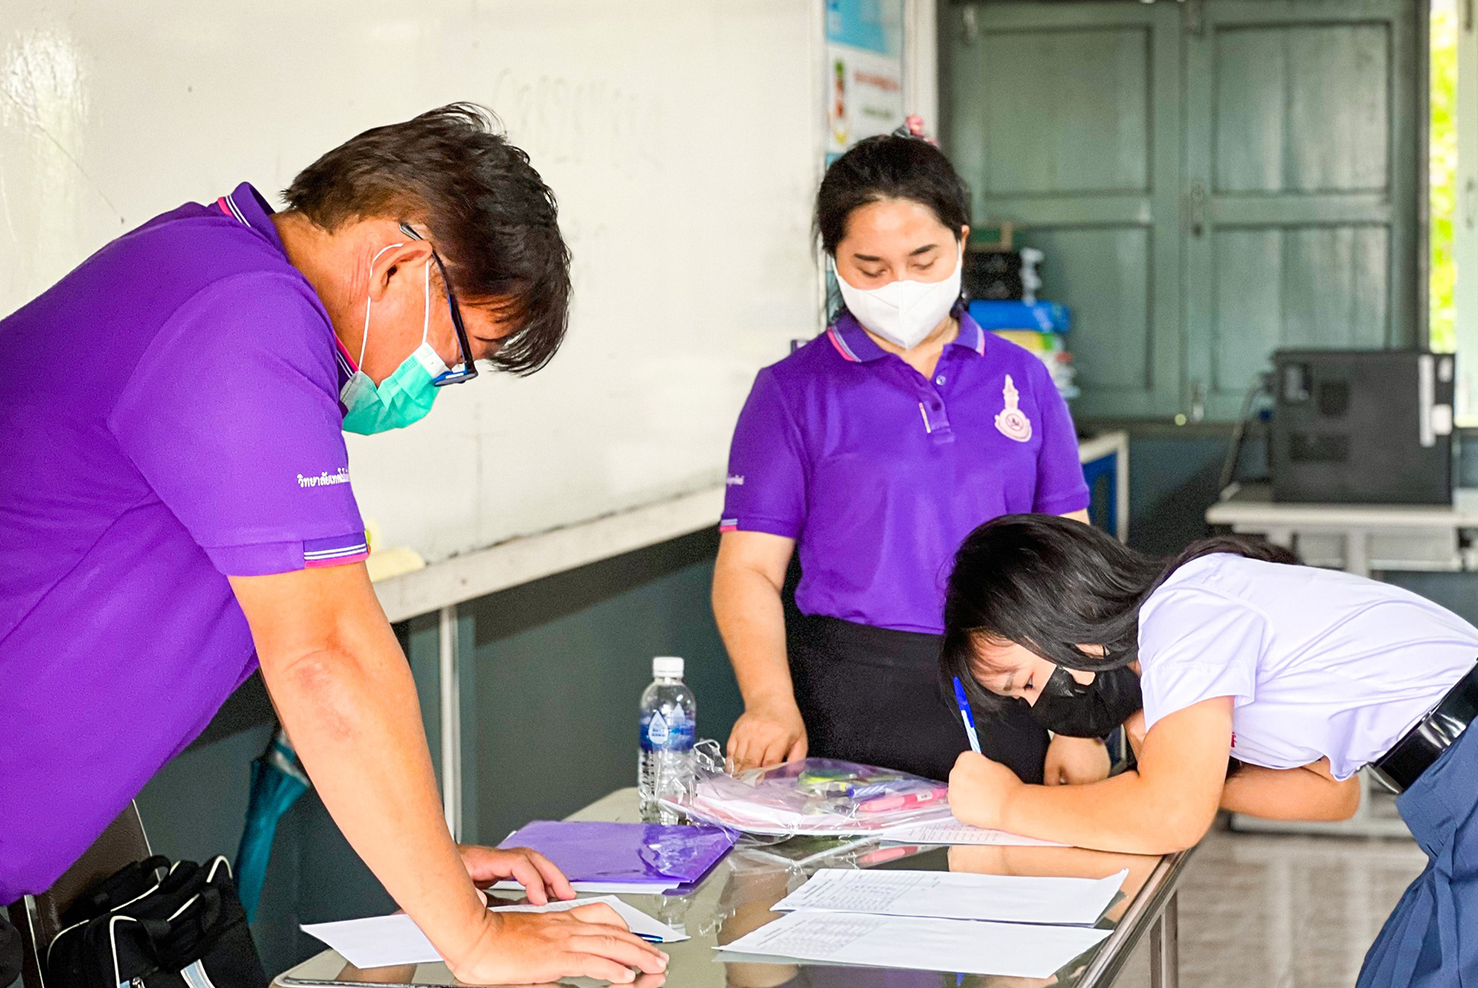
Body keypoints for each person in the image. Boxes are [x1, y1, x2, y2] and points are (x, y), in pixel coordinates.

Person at [0, 104, 667, 986]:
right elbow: (326, 656)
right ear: (397, 263)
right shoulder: (243, 321)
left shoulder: (215, 275)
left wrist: (424, 863)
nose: (442, 384)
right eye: (461, 354)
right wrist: (472, 936)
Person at [715, 123, 1105, 786]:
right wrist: (770, 702)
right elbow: (748, 569)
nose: (900, 284)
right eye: (871, 267)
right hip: (853, 698)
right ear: (836, 261)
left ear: (960, 242)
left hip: (1014, 686)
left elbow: (1071, 557)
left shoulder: (1024, 378)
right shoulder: (792, 391)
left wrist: (1079, 718)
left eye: (923, 261)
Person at [939, 514, 1478, 987]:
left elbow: (1172, 815)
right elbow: (1330, 796)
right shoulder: (1180, 642)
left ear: (1059, 610)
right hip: (1449, 794)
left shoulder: (1181, 615)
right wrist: (1186, 775)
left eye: (1026, 681)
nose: (1040, 705)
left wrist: (1007, 805)